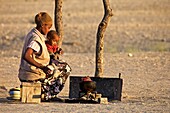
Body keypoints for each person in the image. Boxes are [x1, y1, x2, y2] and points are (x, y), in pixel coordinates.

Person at [18, 12, 53, 82]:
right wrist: (42, 67)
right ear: (43, 25)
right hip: (32, 74)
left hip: (25, 72)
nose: (48, 30)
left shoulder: (32, 33)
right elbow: (27, 56)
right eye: (48, 27)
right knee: (62, 70)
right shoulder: (36, 40)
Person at [41, 30, 71, 100]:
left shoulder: (54, 46)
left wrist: (59, 51)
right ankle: (48, 93)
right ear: (48, 38)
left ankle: (53, 93)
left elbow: (57, 49)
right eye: (53, 41)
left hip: (53, 62)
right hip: (49, 62)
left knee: (64, 71)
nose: (55, 43)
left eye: (56, 41)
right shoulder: (45, 45)